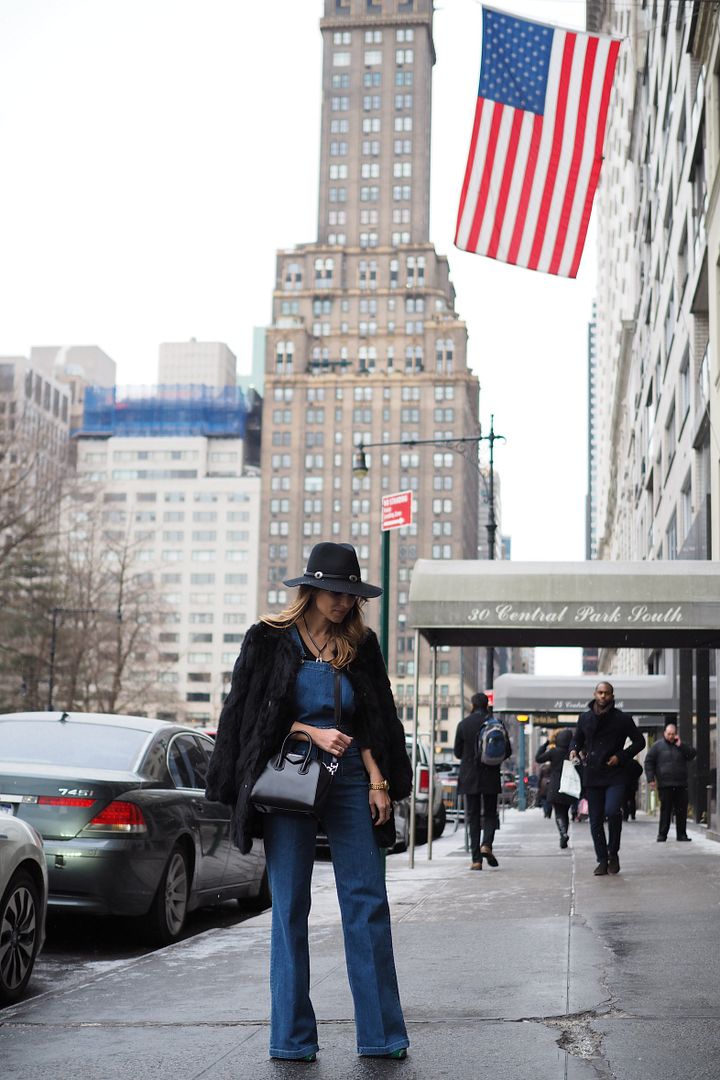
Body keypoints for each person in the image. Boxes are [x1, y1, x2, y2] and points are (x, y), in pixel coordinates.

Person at [205, 542, 412, 1062]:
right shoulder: (268, 639)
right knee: (290, 905)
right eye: (334, 592)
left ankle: (382, 1036)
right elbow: (247, 717)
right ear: (311, 590)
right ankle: (292, 1039)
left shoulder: (361, 645)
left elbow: (373, 721)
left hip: (347, 781)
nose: (343, 603)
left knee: (367, 903)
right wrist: (308, 732)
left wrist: (378, 781)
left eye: (350, 594)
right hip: (288, 776)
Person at [570, 681, 645, 877]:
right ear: (595, 694)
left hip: (615, 773)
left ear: (612, 696)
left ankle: (613, 853)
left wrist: (621, 756)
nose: (603, 696)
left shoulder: (622, 719)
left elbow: (640, 741)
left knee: (612, 811)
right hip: (593, 774)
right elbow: (577, 738)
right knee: (595, 820)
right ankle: (602, 860)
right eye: (600, 692)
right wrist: (573, 750)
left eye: (607, 693)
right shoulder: (585, 718)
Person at [453, 692, 511, 870]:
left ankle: (476, 860)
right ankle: (487, 844)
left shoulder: (464, 724)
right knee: (490, 814)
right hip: (490, 775)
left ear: (473, 704)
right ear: (487, 705)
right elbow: (507, 751)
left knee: (473, 817)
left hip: (469, 776)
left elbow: (457, 752)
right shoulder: (496, 724)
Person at [644, 721, 697, 842]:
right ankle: (662, 835)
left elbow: (692, 755)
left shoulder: (681, 746)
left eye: (673, 734)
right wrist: (650, 778)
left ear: (676, 734)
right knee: (665, 810)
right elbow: (649, 762)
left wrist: (681, 745)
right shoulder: (657, 746)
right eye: (668, 734)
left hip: (681, 784)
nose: (671, 736)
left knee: (681, 810)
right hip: (665, 784)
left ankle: (681, 834)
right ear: (664, 733)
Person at [535, 728, 576, 848]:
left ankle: (563, 834)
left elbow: (538, 758)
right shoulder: (572, 752)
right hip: (569, 785)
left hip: (556, 786)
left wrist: (546, 744)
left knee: (558, 812)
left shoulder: (554, 752)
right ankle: (564, 834)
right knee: (565, 812)